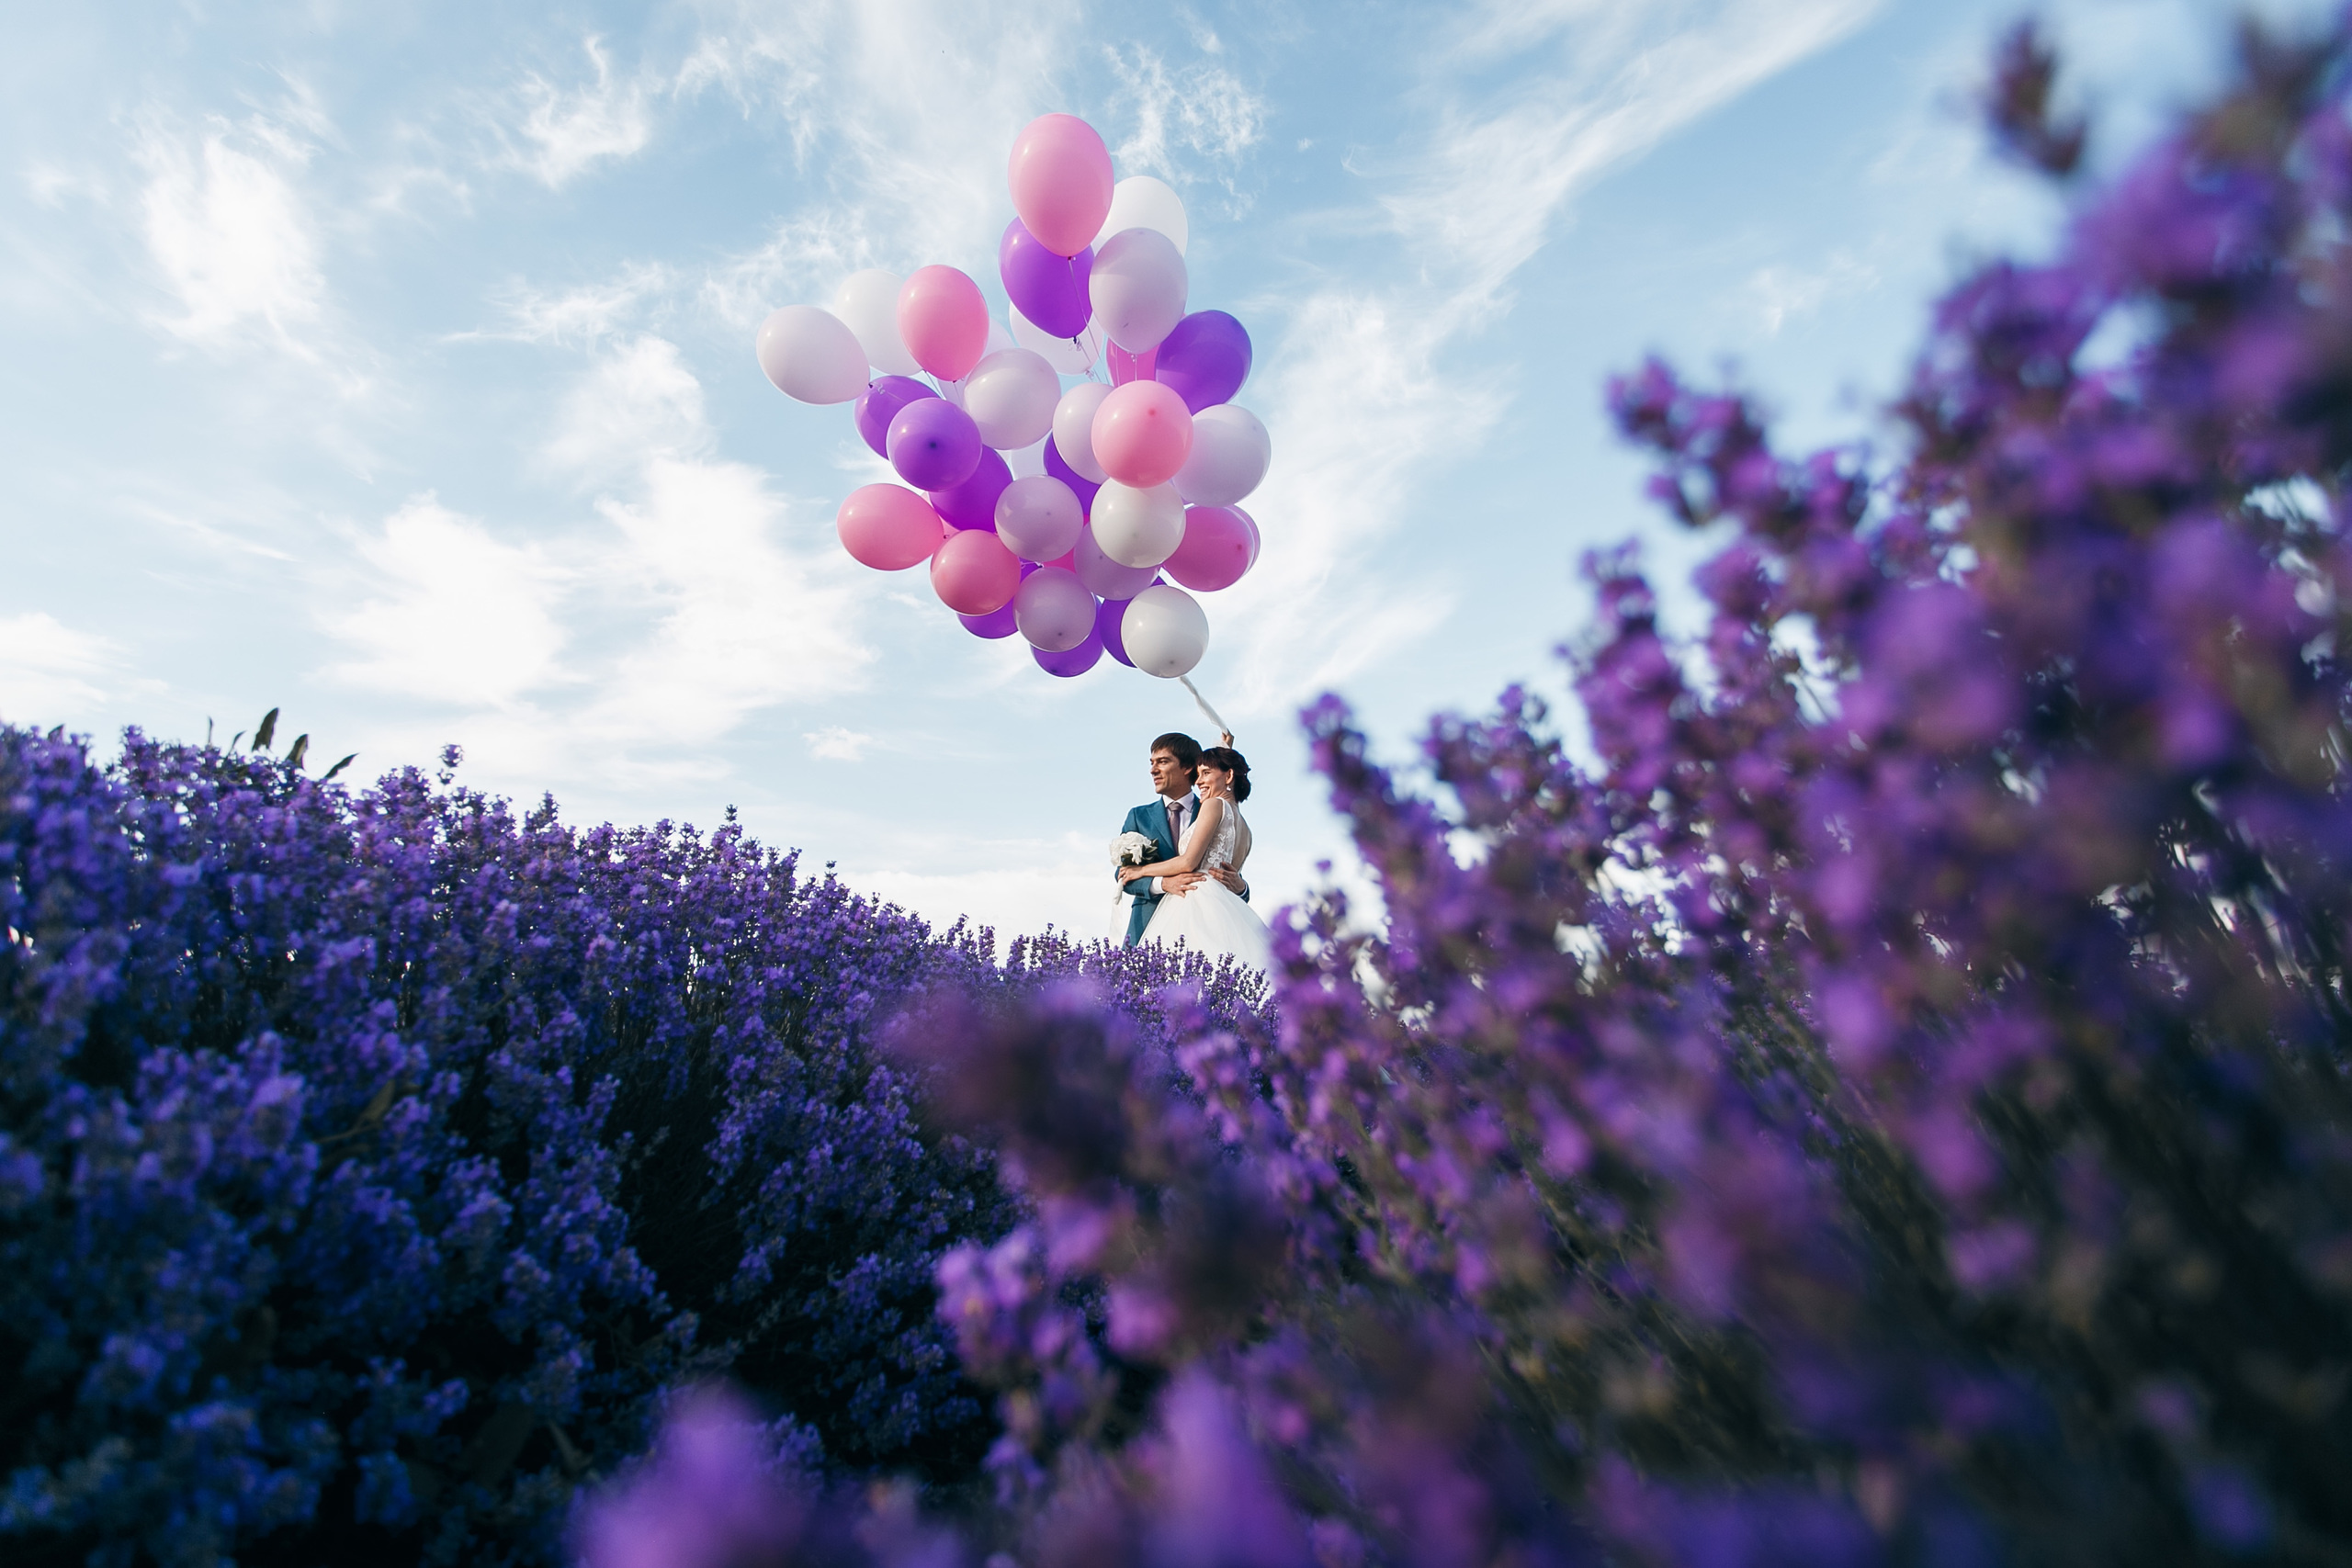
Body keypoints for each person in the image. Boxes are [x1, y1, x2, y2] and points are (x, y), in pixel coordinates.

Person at [1118, 743, 1269, 971]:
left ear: (1228, 775)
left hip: (1193, 904)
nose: (1199, 781)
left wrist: (1140, 870)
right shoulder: (1246, 829)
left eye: (1205, 773)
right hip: (1219, 913)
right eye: (1199, 774)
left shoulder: (1210, 805)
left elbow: (1189, 862)